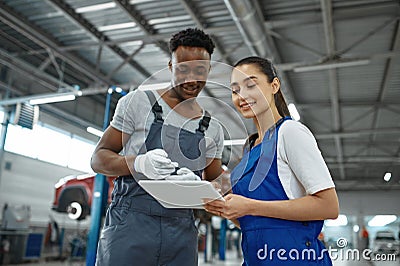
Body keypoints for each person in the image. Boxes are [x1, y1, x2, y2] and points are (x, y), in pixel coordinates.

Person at [91, 28, 224, 265]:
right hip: (130, 224)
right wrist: (138, 163)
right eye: (183, 69)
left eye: (199, 70)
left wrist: (205, 187)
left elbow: (218, 183)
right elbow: (98, 158)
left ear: (209, 70)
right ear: (170, 66)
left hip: (182, 232)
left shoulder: (212, 128)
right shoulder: (138, 102)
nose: (191, 79)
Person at [204, 56, 339, 265]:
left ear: (274, 85)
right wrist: (227, 209)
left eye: (251, 85)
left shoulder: (290, 132)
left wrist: (250, 207)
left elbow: (329, 206)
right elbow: (256, 222)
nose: (242, 96)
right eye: (235, 90)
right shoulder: (251, 148)